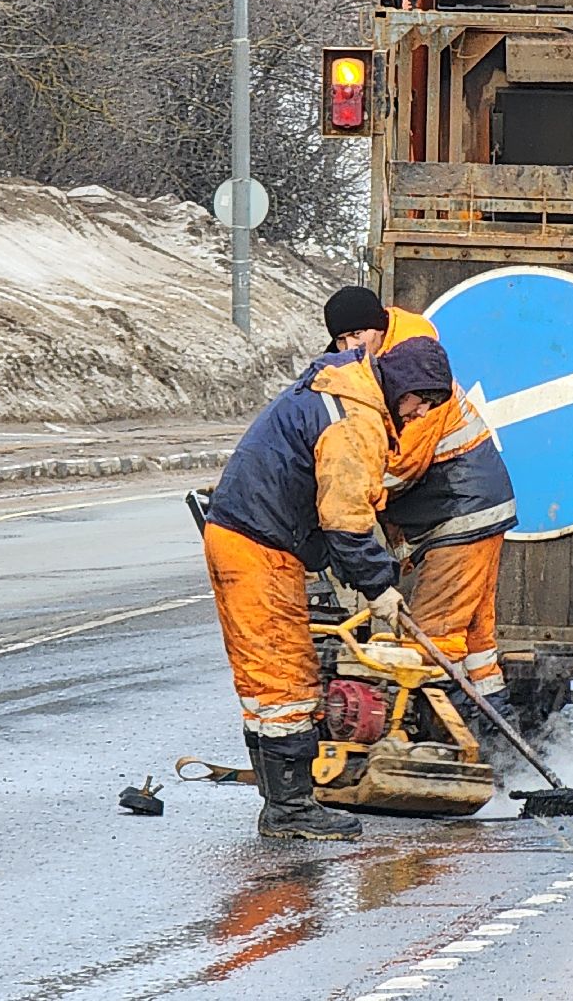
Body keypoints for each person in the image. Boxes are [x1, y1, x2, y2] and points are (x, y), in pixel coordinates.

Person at [203, 336, 453, 841]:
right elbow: (345, 519)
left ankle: (284, 800)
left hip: (250, 537)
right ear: (401, 386)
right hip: (258, 546)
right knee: (285, 683)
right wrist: (379, 585)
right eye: (421, 400)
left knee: (268, 681)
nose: (420, 412)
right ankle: (290, 810)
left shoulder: (342, 388)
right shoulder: (354, 422)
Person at [324, 287, 520, 743]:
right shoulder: (386, 365)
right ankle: (498, 743)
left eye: (359, 333)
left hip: (459, 513)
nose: (352, 345)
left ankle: (439, 743)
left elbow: (402, 465)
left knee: (432, 637)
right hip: (471, 511)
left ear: (380, 326)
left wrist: (348, 488)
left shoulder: (414, 371)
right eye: (342, 338)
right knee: (474, 643)